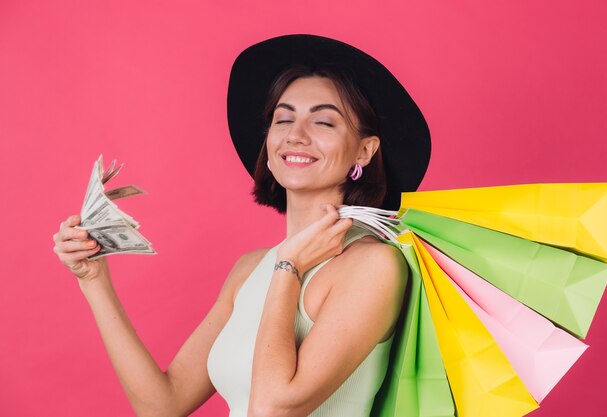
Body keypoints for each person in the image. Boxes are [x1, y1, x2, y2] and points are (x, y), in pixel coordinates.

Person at [52, 34, 431, 417]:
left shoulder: (374, 266)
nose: (295, 135)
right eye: (283, 119)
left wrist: (290, 268)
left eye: (323, 121)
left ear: (365, 150)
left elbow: (273, 407)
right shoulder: (250, 270)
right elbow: (162, 405)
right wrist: (93, 280)